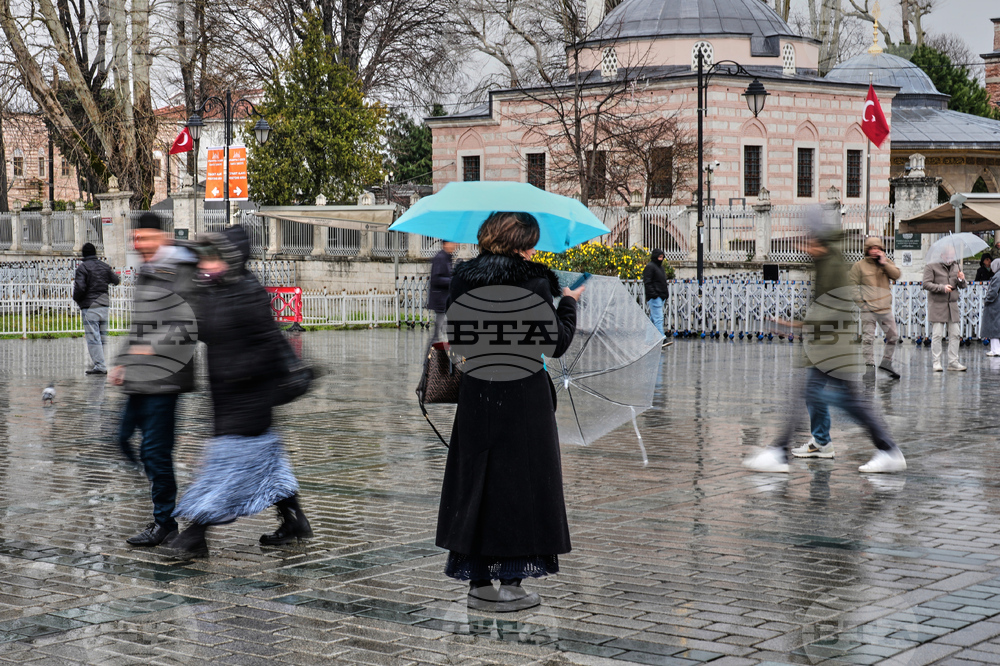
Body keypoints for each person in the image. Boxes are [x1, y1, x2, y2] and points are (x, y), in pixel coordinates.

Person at [437, 211, 583, 612]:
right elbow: (555, 344)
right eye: (530, 242)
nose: (534, 249)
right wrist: (568, 302)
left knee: (478, 481)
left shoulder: (464, 278)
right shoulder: (534, 281)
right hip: (523, 396)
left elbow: (459, 339)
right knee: (522, 485)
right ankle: (512, 583)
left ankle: (478, 582)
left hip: (478, 393)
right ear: (517, 243)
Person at [164, 227, 311, 560]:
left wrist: (242, 372)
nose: (207, 265)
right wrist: (191, 274)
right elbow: (200, 326)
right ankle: (295, 520)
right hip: (228, 396)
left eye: (213, 258)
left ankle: (196, 534)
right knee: (268, 465)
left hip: (249, 397)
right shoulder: (217, 290)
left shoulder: (248, 293)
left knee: (226, 469)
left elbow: (270, 344)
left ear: (231, 259)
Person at [743, 208, 906, 474]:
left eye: (806, 240)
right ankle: (786, 450)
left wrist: (797, 325)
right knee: (816, 395)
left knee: (833, 399)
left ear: (818, 240)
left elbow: (836, 307)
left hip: (834, 347)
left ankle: (783, 451)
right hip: (827, 345)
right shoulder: (825, 261)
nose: (802, 246)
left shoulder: (832, 263)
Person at [112, 213, 199, 547]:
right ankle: (158, 487)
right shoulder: (147, 272)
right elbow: (139, 326)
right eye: (136, 238)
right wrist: (122, 361)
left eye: (146, 238)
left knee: (155, 451)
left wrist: (153, 346)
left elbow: (187, 323)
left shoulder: (181, 270)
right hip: (138, 376)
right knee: (121, 439)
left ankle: (165, 521)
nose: (140, 245)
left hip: (165, 376)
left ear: (163, 237)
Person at [848, 237, 901, 379]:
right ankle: (869, 368)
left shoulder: (886, 262)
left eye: (877, 248)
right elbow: (852, 286)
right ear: (867, 250)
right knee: (868, 339)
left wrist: (884, 264)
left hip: (884, 309)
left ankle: (886, 363)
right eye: (872, 248)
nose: (875, 251)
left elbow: (896, 275)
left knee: (893, 336)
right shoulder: (859, 266)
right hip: (868, 309)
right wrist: (862, 304)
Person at [73, 242, 121, 375]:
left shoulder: (82, 268)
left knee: (93, 337)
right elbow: (116, 280)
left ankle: (100, 365)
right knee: (101, 336)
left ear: (84, 254)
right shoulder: (104, 266)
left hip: (90, 307)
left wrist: (77, 299)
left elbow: (80, 288)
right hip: (104, 305)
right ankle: (99, 362)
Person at [923, 247, 967, 372]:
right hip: (937, 305)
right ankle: (936, 362)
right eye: (949, 256)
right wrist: (942, 288)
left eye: (953, 256)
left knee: (955, 334)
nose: (951, 259)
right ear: (942, 255)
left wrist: (961, 279)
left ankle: (953, 362)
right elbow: (926, 284)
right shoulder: (931, 266)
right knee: (937, 335)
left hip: (952, 306)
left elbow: (963, 286)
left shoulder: (956, 266)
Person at [427, 241, 458, 343]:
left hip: (444, 300)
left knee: (439, 333)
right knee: (437, 334)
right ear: (446, 244)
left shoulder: (447, 257)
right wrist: (452, 281)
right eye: (452, 243)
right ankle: (430, 357)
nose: (455, 245)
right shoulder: (441, 258)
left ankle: (431, 357)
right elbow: (436, 279)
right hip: (440, 301)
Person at [643, 248, 672, 348]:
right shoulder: (650, 267)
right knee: (659, 318)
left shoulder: (660, 268)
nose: (661, 259)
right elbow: (647, 282)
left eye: (662, 257)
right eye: (659, 257)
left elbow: (662, 281)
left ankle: (648, 341)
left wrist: (665, 294)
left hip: (660, 296)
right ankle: (662, 339)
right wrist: (654, 294)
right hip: (655, 297)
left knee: (653, 319)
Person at [981, 261, 1000, 357]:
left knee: (993, 327)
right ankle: (995, 349)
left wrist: (987, 300)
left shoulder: (997, 276)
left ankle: (996, 349)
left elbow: (993, 291)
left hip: (995, 305)